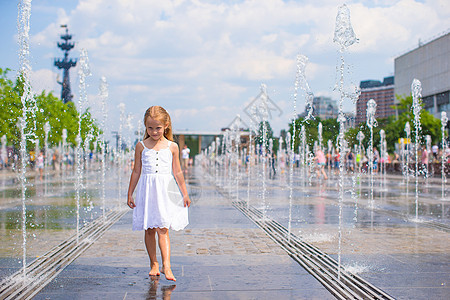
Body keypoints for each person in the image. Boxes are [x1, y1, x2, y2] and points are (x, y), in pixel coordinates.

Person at [127, 106, 191, 282]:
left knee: (163, 228)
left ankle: (167, 265)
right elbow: (136, 171)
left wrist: (184, 194)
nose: (154, 132)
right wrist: (130, 193)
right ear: (145, 127)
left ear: (166, 126)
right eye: (150, 128)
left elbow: (177, 172)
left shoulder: (172, 147)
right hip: (147, 191)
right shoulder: (141, 146)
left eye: (158, 128)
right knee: (149, 229)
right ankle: (154, 263)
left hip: (164, 191)